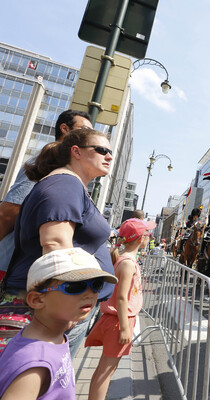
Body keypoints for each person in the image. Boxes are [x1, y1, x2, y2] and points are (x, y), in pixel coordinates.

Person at [4, 128, 115, 357]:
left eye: (110, 152)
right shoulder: (65, 184)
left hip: (58, 305)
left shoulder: (71, 185)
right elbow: (55, 244)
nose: (109, 156)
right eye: (102, 150)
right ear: (76, 152)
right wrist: (66, 308)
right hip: (50, 308)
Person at [0, 248, 117, 400]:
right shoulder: (36, 363)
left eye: (96, 285)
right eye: (75, 287)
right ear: (37, 300)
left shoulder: (51, 333)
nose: (90, 293)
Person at [0, 110, 92, 280]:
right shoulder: (46, 162)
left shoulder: (71, 169)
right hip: (10, 267)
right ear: (64, 129)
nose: (88, 135)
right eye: (84, 129)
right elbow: (9, 212)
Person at [85, 218, 154, 400]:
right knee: (105, 371)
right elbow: (122, 298)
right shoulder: (128, 263)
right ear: (140, 239)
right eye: (147, 234)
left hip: (117, 320)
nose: (149, 237)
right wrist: (124, 327)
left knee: (106, 369)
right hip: (118, 322)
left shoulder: (124, 259)